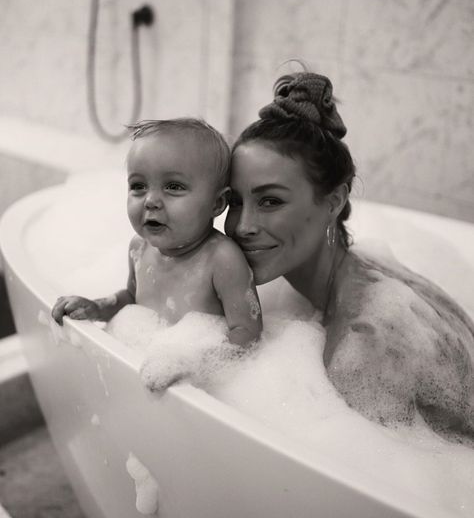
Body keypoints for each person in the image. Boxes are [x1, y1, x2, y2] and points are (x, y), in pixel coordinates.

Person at [225, 71, 474, 444]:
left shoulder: (363, 349)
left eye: (271, 201)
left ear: (334, 201)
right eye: (235, 202)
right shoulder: (371, 272)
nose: (243, 226)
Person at [52, 118, 262, 355]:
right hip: (143, 362)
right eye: (138, 186)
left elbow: (247, 334)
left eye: (173, 186)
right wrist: (97, 308)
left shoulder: (222, 259)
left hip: (192, 381)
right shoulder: (140, 248)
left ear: (217, 203)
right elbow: (132, 297)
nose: (150, 200)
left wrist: (195, 364)